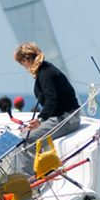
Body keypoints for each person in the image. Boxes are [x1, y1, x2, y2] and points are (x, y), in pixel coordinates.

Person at [13, 42, 80, 172]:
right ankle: (32, 172)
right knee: (23, 132)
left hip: (66, 119)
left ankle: (28, 182)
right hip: (61, 117)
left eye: (22, 63)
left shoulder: (46, 73)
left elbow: (51, 98)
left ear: (27, 59)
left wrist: (40, 120)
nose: (23, 66)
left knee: (24, 141)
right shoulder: (44, 70)